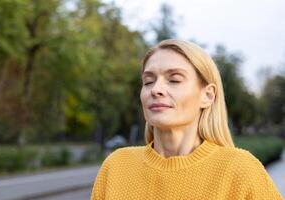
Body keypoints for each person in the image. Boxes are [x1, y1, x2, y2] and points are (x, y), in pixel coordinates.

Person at [90, 39, 283, 199]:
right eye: (148, 81)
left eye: (174, 80)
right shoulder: (116, 166)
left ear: (207, 95)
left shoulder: (239, 170)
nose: (156, 89)